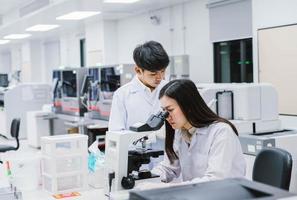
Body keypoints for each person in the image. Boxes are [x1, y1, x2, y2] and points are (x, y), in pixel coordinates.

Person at [151, 79, 246, 184]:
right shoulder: (180, 132)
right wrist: (147, 179)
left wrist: (170, 189)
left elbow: (215, 179)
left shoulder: (221, 132)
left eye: (170, 110)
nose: (166, 117)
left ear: (187, 106)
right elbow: (168, 168)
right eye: (164, 111)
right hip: (196, 194)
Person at [108, 41, 169, 131]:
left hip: (165, 145)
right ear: (138, 70)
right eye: (153, 74)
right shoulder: (122, 95)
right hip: (134, 145)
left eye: (163, 71)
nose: (160, 77)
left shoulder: (169, 89)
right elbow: (116, 132)